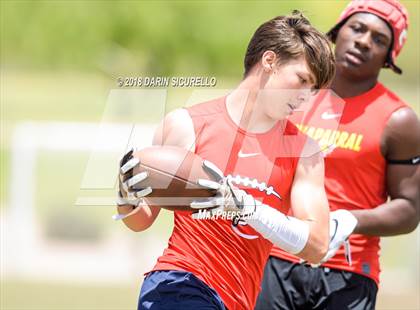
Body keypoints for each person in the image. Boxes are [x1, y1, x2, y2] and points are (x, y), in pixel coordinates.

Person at [116, 12, 335, 310]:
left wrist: (245, 206)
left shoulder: (303, 150)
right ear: (269, 61)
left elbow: (316, 246)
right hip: (177, 285)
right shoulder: (188, 124)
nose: (306, 97)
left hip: (238, 299)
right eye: (302, 80)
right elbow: (141, 220)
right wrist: (125, 197)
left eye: (314, 89)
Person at [256, 1, 420, 309]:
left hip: (349, 271)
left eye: (379, 39)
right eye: (357, 28)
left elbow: (409, 210)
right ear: (337, 32)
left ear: (389, 57)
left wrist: (348, 221)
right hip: (277, 256)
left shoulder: (399, 120)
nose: (363, 41)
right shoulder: (295, 97)